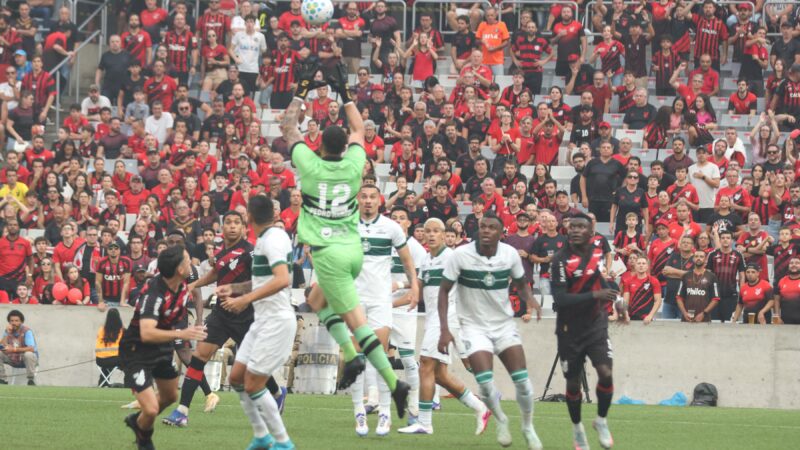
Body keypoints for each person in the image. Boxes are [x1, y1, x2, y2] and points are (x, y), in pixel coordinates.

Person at [285, 62, 411, 414]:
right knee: (315, 299)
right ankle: (355, 358)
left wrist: (301, 91)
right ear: (343, 148)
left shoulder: (308, 166)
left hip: (329, 253)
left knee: (356, 324)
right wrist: (346, 95)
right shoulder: (355, 163)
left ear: (319, 146)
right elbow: (358, 128)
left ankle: (390, 381)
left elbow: (287, 127)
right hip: (352, 247)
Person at [163, 211, 285, 427]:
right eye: (228, 222)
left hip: (245, 316)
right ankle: (182, 412)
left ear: (244, 227)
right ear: (222, 227)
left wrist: (244, 299)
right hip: (220, 315)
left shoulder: (250, 252)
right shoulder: (221, 253)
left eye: (237, 222)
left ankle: (277, 391)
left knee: (253, 365)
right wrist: (192, 285)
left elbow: (260, 281)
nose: (232, 226)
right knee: (199, 355)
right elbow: (215, 274)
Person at [438, 214, 543, 449]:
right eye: (482, 226)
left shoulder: (509, 254)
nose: (485, 230)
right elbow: (444, 291)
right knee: (485, 384)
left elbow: (520, 283)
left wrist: (530, 300)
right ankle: (501, 419)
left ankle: (528, 426)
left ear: (501, 232)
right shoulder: (461, 255)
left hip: (504, 325)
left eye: (492, 227)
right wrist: (445, 329)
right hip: (474, 328)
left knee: (523, 383)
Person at [399, 218, 490, 435]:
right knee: (439, 375)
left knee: (425, 366)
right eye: (427, 231)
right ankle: (481, 408)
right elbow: (415, 292)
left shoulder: (453, 258)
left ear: (444, 235)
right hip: (433, 320)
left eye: (436, 231)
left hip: (447, 321)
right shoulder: (428, 261)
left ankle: (424, 422)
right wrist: (386, 303)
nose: (430, 235)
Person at [220, 195, 296, 450]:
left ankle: (283, 443)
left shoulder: (272, 240)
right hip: (263, 321)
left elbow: (282, 279)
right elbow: (265, 280)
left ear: (249, 218)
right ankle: (262, 436)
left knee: (254, 383)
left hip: (276, 321)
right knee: (237, 378)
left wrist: (245, 300)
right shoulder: (267, 238)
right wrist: (236, 287)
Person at [348, 185, 419, 435]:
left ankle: (385, 412)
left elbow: (408, 261)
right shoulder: (347, 225)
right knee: (356, 357)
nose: (368, 201)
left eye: (372, 197)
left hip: (380, 300)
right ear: (358, 200)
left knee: (379, 355)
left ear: (379, 201)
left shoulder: (391, 227)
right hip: (353, 299)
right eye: (363, 197)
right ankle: (359, 412)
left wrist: (415, 287)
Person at [120, 246, 207, 449]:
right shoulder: (154, 293)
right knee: (150, 410)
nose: (191, 264)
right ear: (179, 269)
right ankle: (145, 439)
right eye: (187, 261)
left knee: (170, 396)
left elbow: (205, 279)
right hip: (136, 352)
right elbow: (147, 333)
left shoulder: (182, 285)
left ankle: (136, 422)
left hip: (161, 348)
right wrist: (181, 333)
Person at [550, 212, 617, 450]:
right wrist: (594, 295)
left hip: (596, 325)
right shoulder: (559, 260)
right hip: (569, 329)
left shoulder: (597, 254)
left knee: (606, 373)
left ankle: (600, 420)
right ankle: (578, 428)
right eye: (572, 226)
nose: (576, 229)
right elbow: (559, 298)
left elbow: (602, 283)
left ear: (591, 232)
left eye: (581, 226)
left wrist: (617, 303)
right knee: (573, 384)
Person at [676, 250, 721, 322]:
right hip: (687, 318)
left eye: (701, 256)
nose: (698, 258)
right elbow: (679, 297)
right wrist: (684, 313)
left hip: (704, 318)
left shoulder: (712, 276)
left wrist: (704, 313)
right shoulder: (686, 276)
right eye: (696, 256)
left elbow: (715, 299)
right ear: (693, 259)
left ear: (705, 259)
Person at [0, 310, 38, 385]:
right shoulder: (7, 331)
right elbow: (2, 346)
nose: (14, 323)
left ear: (21, 322)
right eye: (12, 321)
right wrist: (7, 333)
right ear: (9, 322)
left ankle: (31, 379)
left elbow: (31, 348)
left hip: (26, 359)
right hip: (12, 358)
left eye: (16, 321)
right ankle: (2, 379)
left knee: (28, 354)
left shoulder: (27, 331)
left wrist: (13, 349)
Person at [96, 241, 132, 309]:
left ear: (120, 250)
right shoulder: (101, 262)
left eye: (116, 248)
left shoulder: (127, 261)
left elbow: (126, 282)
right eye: (110, 248)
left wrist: (122, 301)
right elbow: (98, 282)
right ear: (107, 250)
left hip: (122, 299)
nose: (113, 250)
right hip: (106, 300)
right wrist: (100, 301)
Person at [96, 308, 124, 387]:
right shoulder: (121, 331)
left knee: (107, 367)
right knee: (129, 363)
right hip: (115, 359)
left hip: (100, 360)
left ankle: (103, 383)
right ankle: (129, 383)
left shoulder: (101, 329)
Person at [774, 256, 800, 325]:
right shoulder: (781, 281)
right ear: (788, 266)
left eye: (797, 263)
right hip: (785, 319)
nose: (794, 265)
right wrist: (777, 316)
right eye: (791, 263)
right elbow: (776, 300)